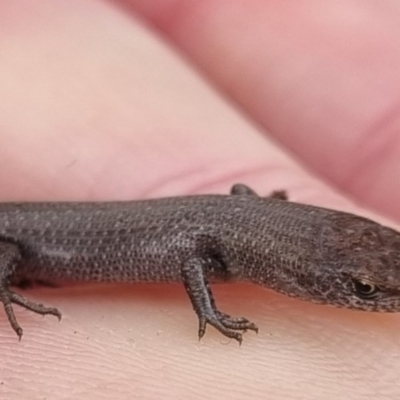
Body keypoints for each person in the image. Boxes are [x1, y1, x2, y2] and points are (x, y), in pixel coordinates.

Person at [1, 1, 400, 398]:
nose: (378, 294)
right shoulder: (242, 244)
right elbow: (194, 261)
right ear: (302, 276)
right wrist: (208, 312)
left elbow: (241, 197)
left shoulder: (255, 230)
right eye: (364, 287)